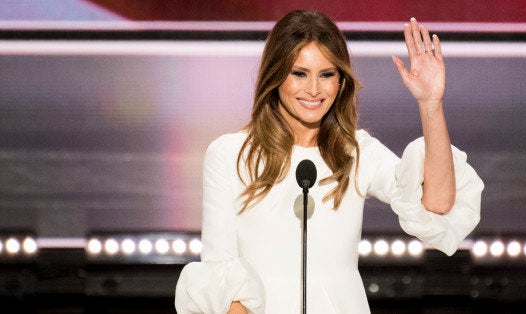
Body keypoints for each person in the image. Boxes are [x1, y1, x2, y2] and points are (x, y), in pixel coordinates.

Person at [175, 9, 483, 314]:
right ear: (276, 74)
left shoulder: (356, 152)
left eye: (326, 74)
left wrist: (431, 104)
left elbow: (438, 204)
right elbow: (220, 268)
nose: (313, 89)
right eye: (299, 73)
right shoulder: (229, 154)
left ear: (340, 81)